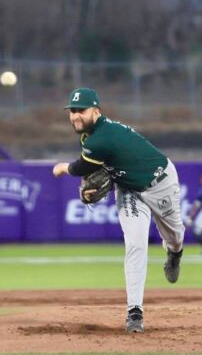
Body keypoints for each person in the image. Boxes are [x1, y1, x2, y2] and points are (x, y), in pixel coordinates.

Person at [52, 88, 185, 333]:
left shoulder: (99, 138)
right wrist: (110, 181)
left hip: (161, 182)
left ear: (96, 111)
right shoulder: (89, 137)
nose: (75, 116)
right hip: (129, 189)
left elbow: (82, 166)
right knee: (135, 245)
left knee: (175, 236)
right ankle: (135, 312)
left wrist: (63, 168)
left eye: (81, 110)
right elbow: (113, 164)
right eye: (72, 111)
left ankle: (174, 253)